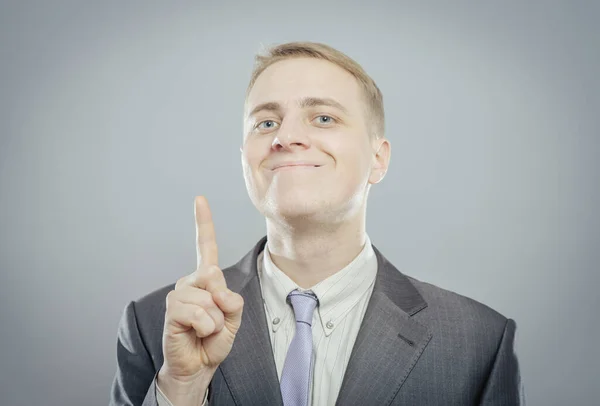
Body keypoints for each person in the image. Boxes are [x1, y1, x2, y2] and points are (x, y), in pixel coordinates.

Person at [110, 42, 525, 406]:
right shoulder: (154, 326)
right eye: (266, 122)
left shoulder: (477, 341)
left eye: (323, 118)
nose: (285, 137)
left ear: (378, 159)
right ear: (245, 159)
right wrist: (182, 389)